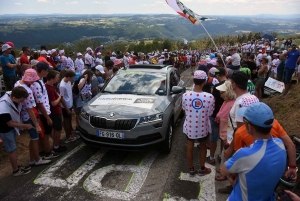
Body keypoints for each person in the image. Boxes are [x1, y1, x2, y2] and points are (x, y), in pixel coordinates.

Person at [220, 102, 286, 201]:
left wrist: (232, 174)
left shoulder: (245, 154)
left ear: (250, 127)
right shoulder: (280, 144)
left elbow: (223, 170)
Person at [14, 69, 51, 166]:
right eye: (33, 80)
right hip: (29, 117)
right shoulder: (28, 91)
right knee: (34, 139)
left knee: (32, 138)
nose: (34, 82)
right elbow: (30, 109)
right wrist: (36, 124)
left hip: (22, 115)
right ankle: (37, 160)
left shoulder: (18, 83)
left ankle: (32, 159)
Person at [182, 70, 214, 176]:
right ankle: (202, 168)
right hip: (203, 127)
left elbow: (184, 108)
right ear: (204, 81)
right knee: (203, 146)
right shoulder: (209, 97)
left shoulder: (186, 95)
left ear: (193, 80)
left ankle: (191, 169)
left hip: (190, 126)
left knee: (189, 145)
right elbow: (210, 113)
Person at [0, 87, 33, 176]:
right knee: (12, 149)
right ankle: (16, 170)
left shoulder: (12, 94)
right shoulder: (3, 108)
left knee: (13, 148)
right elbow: (10, 124)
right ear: (14, 98)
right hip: (5, 130)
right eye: (20, 100)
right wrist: (25, 125)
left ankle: (17, 166)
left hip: (11, 129)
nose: (22, 102)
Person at [30, 61, 58, 159]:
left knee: (45, 132)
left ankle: (43, 150)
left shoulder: (40, 80)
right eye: (47, 71)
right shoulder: (37, 84)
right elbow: (39, 103)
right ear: (42, 71)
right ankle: (47, 152)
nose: (48, 73)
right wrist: (47, 117)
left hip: (44, 111)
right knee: (45, 133)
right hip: (43, 112)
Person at [214, 80, 236, 182]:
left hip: (228, 133)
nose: (220, 94)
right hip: (225, 132)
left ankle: (225, 174)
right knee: (224, 152)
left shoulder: (232, 104)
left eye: (222, 92)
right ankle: (224, 169)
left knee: (227, 153)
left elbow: (222, 115)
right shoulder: (227, 101)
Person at [206, 67, 227, 165]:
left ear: (218, 75)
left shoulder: (217, 86)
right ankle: (221, 155)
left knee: (213, 138)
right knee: (223, 137)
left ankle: (211, 157)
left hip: (216, 114)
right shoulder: (231, 84)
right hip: (227, 115)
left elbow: (213, 100)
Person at [45, 70, 67, 153]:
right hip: (55, 111)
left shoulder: (49, 86)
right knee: (58, 129)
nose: (58, 79)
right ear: (52, 78)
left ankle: (55, 144)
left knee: (54, 129)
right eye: (57, 77)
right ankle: (56, 146)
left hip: (53, 111)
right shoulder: (50, 88)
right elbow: (54, 103)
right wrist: (60, 97)